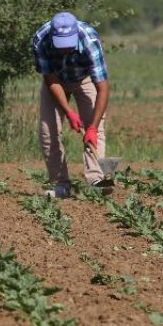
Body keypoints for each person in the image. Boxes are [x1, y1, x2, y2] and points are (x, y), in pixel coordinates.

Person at [32, 12, 112, 198]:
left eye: (68, 45)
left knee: (96, 128)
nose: (64, 50)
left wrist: (91, 127)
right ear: (53, 36)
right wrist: (69, 112)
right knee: (48, 130)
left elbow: (103, 88)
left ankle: (97, 181)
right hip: (57, 82)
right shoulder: (40, 40)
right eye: (61, 45)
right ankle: (61, 184)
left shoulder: (90, 40)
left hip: (85, 79)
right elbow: (50, 79)